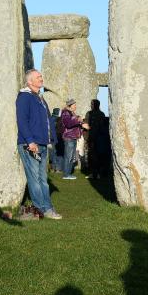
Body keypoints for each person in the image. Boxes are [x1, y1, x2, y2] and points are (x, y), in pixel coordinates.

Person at [16, 70, 61, 219]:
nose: (41, 79)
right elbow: (22, 121)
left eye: (41, 76)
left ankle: (47, 207)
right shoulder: (24, 98)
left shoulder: (40, 98)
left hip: (41, 143)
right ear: (30, 82)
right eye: (38, 77)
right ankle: (42, 209)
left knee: (43, 179)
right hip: (30, 144)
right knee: (35, 178)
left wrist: (52, 139)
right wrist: (30, 141)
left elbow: (47, 121)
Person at [59, 99, 88, 180]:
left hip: (73, 137)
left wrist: (82, 124)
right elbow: (68, 124)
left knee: (71, 156)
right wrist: (77, 119)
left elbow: (75, 123)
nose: (75, 106)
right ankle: (66, 174)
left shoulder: (71, 113)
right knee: (69, 156)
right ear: (70, 105)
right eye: (74, 105)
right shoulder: (65, 112)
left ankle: (68, 173)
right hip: (69, 137)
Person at [84, 100, 111, 180]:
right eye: (91, 104)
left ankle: (96, 173)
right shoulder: (100, 114)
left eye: (92, 104)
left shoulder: (91, 114)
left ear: (97, 105)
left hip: (96, 137)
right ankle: (95, 173)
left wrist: (87, 136)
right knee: (94, 156)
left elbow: (87, 125)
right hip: (95, 137)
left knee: (95, 156)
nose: (91, 105)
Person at [48, 107, 61, 174]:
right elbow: (52, 130)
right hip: (54, 138)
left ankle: (54, 168)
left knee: (53, 154)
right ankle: (56, 168)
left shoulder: (51, 118)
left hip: (53, 138)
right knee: (54, 153)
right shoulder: (54, 119)